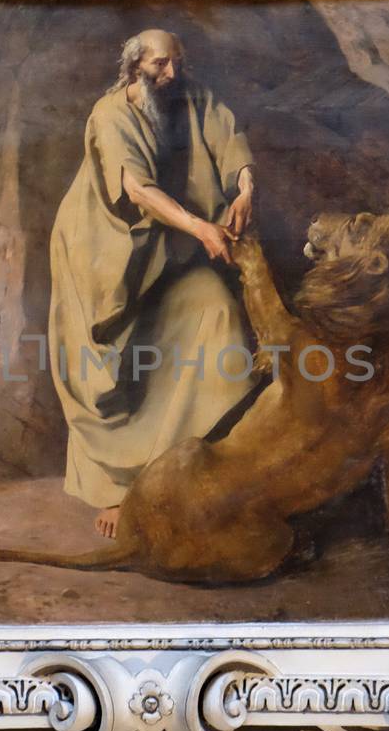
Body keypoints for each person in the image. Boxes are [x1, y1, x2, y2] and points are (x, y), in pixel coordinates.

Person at [48, 29, 258, 538]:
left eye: (176, 64)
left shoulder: (185, 95)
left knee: (215, 310)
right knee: (109, 375)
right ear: (135, 66)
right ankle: (121, 493)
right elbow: (137, 189)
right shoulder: (110, 115)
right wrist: (200, 228)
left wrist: (246, 185)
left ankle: (182, 473)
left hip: (165, 255)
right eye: (161, 65)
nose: (172, 74)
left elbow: (225, 132)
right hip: (102, 257)